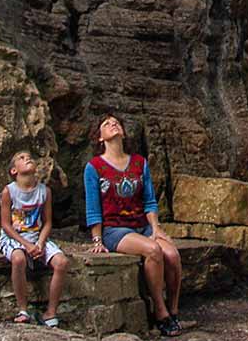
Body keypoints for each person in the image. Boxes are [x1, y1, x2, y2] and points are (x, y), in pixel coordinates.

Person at [84, 113, 184, 337]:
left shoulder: (139, 162)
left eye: (116, 122)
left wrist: (156, 229)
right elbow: (93, 206)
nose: (113, 124)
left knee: (172, 254)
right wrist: (97, 239)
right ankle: (160, 311)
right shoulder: (94, 167)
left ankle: (174, 310)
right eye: (106, 124)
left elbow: (149, 201)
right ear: (100, 137)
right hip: (114, 229)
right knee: (153, 250)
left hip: (142, 225)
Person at [0, 150, 69, 327]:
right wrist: (27, 245)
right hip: (15, 237)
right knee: (18, 258)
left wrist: (39, 243)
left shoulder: (44, 192)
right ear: (14, 171)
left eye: (29, 157)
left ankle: (51, 312)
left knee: (61, 262)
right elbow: (6, 225)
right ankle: (23, 309)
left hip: (37, 236)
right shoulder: (9, 191)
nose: (27, 158)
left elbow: (47, 222)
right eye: (21, 158)